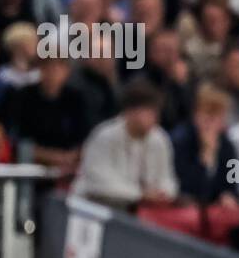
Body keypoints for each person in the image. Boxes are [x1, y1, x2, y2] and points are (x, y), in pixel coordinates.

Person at [72, 80, 178, 209]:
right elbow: (99, 183)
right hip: (95, 207)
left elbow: (168, 179)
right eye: (148, 113)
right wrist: (140, 194)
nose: (152, 119)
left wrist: (163, 192)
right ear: (130, 112)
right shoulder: (104, 136)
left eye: (154, 113)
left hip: (139, 212)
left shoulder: (159, 138)